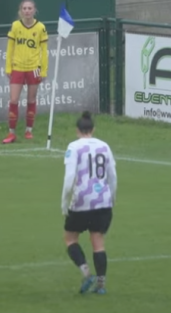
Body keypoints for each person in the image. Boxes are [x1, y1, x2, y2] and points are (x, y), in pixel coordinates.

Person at [61, 111, 118, 295]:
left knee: (70, 238)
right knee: (98, 242)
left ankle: (86, 273)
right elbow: (113, 176)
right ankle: (101, 284)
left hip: (82, 201)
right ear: (93, 129)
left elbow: (70, 177)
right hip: (103, 201)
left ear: (77, 130)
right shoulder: (104, 146)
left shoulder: (74, 147)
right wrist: (112, 198)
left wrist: (64, 202)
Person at [2, 0, 48, 144]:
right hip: (17, 67)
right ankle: (11, 133)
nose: (27, 11)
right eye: (24, 8)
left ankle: (29, 130)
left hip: (34, 68)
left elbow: (44, 51)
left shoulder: (40, 27)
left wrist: (43, 70)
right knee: (14, 100)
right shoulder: (15, 26)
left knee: (31, 99)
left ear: (34, 10)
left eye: (30, 8)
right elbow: (10, 48)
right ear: (20, 11)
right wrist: (8, 67)